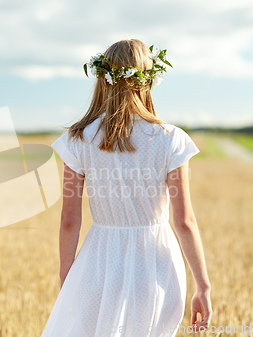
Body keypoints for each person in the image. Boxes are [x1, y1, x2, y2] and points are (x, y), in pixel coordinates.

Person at [40, 39, 212, 337]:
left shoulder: (79, 139)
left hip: (100, 261)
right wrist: (203, 286)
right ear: (149, 78)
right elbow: (184, 222)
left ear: (103, 78)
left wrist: (67, 275)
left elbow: (70, 221)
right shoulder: (171, 139)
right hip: (157, 264)